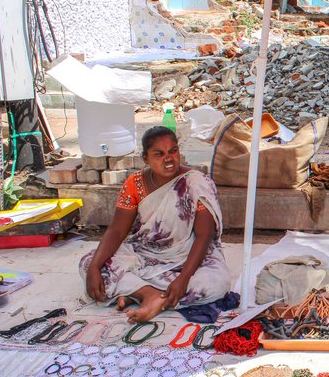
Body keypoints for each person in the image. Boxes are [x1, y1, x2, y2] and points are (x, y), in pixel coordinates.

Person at [79, 126, 230, 323]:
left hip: (190, 255)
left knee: (217, 285)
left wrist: (183, 279)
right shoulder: (135, 184)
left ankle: (139, 293)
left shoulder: (196, 182)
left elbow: (204, 235)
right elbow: (117, 230)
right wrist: (94, 268)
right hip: (145, 253)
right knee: (88, 264)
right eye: (159, 154)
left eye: (173, 151)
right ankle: (149, 295)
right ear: (145, 158)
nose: (169, 159)